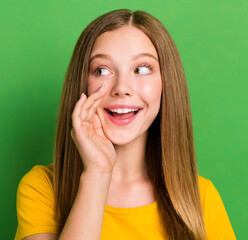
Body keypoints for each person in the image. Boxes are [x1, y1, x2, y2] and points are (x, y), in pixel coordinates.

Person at [14, 9, 236, 240]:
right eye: (102, 70)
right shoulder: (42, 188)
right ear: (81, 85)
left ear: (166, 85)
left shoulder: (200, 198)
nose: (121, 87)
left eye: (141, 69)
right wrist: (98, 173)